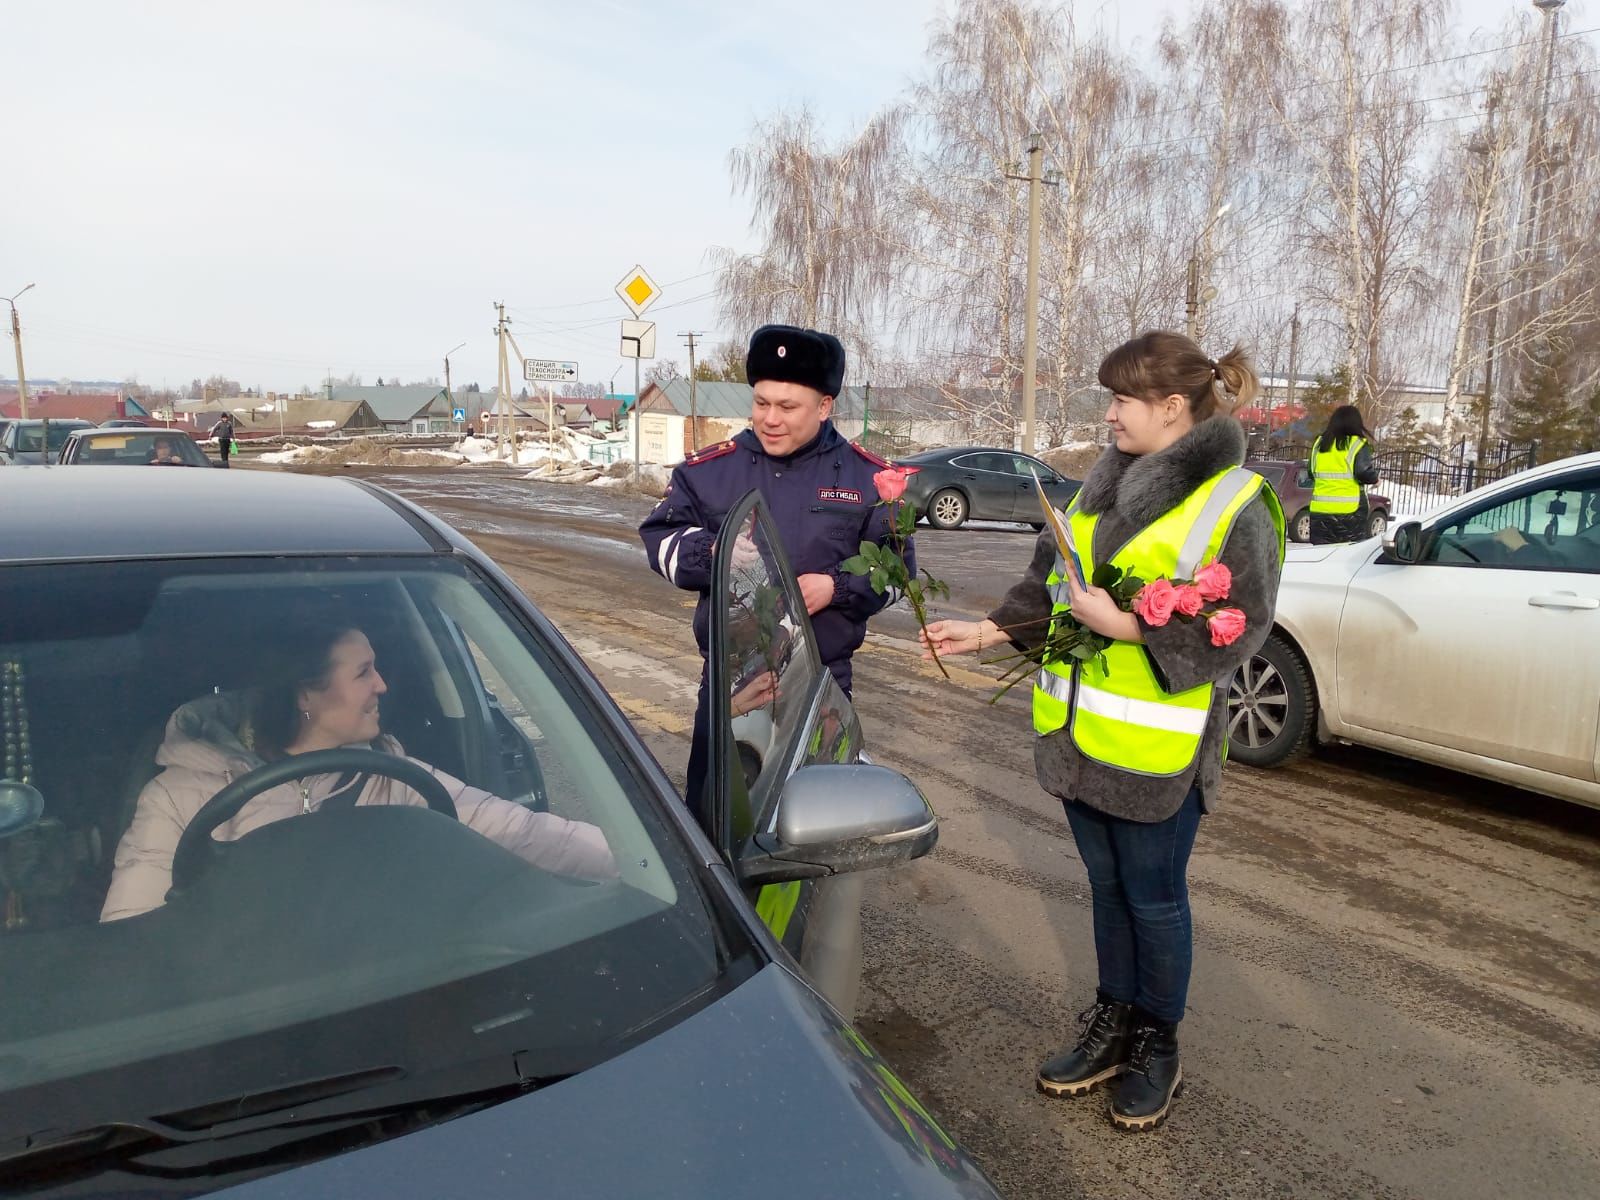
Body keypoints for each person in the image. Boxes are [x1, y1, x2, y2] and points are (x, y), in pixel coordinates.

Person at [920, 330, 1285, 1133]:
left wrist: (1126, 628)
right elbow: (1050, 585)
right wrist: (982, 633)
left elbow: (1243, 624)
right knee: (1108, 891)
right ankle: (1114, 1022)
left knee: (1154, 902)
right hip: (1079, 742)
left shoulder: (1233, 502)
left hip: (1160, 755)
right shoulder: (1094, 491)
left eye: (1120, 400)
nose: (1109, 414)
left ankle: (1159, 1042)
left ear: (1173, 407)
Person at [102, 619, 618, 922]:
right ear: (305, 693)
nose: (383, 686)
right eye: (363, 672)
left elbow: (525, 834)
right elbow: (134, 942)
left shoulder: (393, 779)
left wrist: (653, 864)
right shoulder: (181, 795)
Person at [637, 323, 910, 825]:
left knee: (807, 830)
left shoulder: (867, 479)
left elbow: (898, 571)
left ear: (825, 406)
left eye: (788, 407)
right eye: (762, 403)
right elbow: (660, 542)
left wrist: (838, 586)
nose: (770, 419)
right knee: (716, 822)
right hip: (729, 688)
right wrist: (712, 552)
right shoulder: (710, 470)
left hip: (821, 688)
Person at [1306, 404, 1379, 544]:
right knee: (1347, 557)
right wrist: (1375, 479)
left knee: (1321, 556)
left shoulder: (1320, 444)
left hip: (1319, 511)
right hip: (1349, 512)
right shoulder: (1357, 444)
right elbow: (1363, 472)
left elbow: (1311, 472)